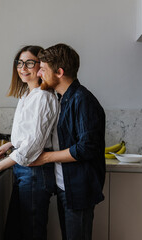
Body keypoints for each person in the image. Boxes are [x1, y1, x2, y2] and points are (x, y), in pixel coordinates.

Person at [0, 45, 59, 240]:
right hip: (25, 169)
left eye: (30, 63)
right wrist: (10, 144)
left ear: (41, 67)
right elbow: (29, 134)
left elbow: (34, 144)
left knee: (31, 233)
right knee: (18, 230)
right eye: (20, 63)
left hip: (35, 171)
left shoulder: (44, 97)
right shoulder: (26, 95)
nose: (23, 68)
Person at [29, 43, 106, 240]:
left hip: (79, 189)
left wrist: (46, 158)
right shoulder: (62, 98)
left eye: (43, 70)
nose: (39, 74)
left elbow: (86, 147)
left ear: (60, 72)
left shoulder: (82, 100)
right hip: (66, 187)